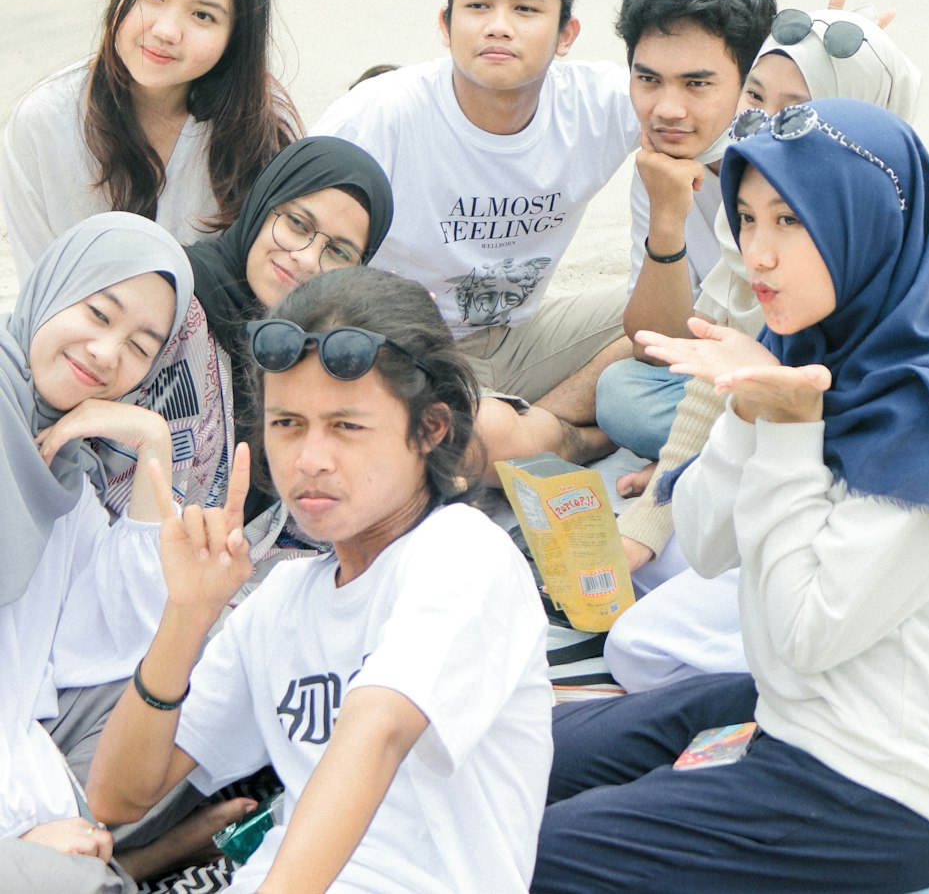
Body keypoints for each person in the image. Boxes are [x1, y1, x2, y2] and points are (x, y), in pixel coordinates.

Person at [531, 99, 929, 893]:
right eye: (746, 218)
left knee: (521, 853)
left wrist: (786, 430)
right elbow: (710, 545)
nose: (759, 254)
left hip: (883, 785)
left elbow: (804, 631)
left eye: (791, 221)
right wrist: (751, 409)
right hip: (794, 708)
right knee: (519, 754)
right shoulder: (810, 344)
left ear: (867, 223)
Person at [88, 268, 553, 894]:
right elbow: (119, 798)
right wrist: (187, 614)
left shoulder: (463, 554)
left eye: (346, 426)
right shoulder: (281, 600)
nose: (309, 459)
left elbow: (379, 733)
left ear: (430, 429)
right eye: (287, 424)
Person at [613, 4, 923, 604]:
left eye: (798, 110)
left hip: (858, 518)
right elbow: (710, 389)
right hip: (770, 452)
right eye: (755, 100)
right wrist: (650, 522)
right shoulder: (750, 222)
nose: (768, 126)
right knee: (627, 404)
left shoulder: (894, 246)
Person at [309, 0, 639, 471]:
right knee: (457, 443)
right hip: (405, 352)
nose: (499, 26)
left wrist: (794, 67)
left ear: (566, 34)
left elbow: (711, 107)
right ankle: (571, 440)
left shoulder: (599, 103)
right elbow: (285, 246)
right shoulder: (378, 115)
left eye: (526, 9)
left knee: (698, 315)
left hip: (523, 336)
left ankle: (535, 426)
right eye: (479, 5)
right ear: (446, 22)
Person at [0, 212, 219, 892]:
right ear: (52, 286)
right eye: (97, 312)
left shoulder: (63, 466)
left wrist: (154, 446)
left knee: (216, 675)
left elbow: (111, 632)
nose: (104, 352)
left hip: (20, 759)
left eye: (139, 346)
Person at [91, 137, 394, 539]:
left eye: (337, 252)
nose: (305, 258)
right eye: (298, 224)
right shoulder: (166, 295)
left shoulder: (319, 356)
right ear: (263, 204)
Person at [0, 0, 299, 283]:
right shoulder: (43, 123)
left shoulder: (263, 128)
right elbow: (41, 290)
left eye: (202, 15)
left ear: (235, 39)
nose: (165, 30)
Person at [593, 0, 776, 463]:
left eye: (697, 84)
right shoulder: (662, 166)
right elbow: (653, 346)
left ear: (748, 79)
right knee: (622, 393)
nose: (666, 110)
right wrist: (667, 219)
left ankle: (711, 455)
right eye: (648, 79)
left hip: (817, 378)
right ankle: (716, 452)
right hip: (730, 384)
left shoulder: (788, 151)